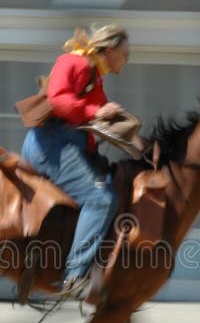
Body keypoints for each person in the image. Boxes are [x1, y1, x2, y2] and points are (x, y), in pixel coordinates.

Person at [21, 24, 131, 294]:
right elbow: (58, 100)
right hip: (52, 146)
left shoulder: (95, 77)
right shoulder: (74, 62)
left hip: (67, 146)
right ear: (109, 50)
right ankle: (74, 277)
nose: (127, 60)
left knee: (108, 182)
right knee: (101, 199)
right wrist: (97, 112)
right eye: (125, 54)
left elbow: (91, 122)